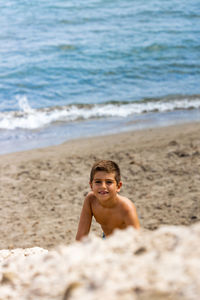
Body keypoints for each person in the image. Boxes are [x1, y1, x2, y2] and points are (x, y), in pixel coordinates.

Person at [76, 160, 140, 241]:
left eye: (109, 182)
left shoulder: (126, 207)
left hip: (126, 244)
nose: (103, 186)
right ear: (91, 185)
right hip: (106, 240)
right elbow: (81, 237)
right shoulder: (90, 200)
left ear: (118, 186)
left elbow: (137, 241)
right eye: (98, 182)